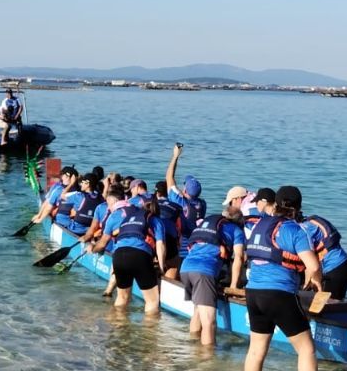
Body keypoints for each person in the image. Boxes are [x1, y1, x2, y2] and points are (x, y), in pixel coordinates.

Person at [242, 185, 322, 371]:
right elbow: (313, 266)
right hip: (279, 294)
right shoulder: (294, 229)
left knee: (256, 350)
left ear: (275, 203)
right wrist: (316, 282)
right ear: (298, 207)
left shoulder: (259, 224)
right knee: (306, 349)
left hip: (253, 293)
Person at [177, 193, 247, 348]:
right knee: (209, 322)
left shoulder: (209, 224)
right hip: (203, 272)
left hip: (185, 269)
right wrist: (234, 286)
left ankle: (193, 346)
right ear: (239, 221)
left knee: (197, 311)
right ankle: (206, 361)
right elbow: (239, 258)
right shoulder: (236, 231)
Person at [89, 186, 166, 315]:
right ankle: (150, 334)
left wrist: (93, 248)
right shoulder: (155, 219)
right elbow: (160, 245)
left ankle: (117, 327)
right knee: (152, 302)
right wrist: (162, 269)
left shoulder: (127, 219)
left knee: (122, 297)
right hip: (139, 255)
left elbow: (109, 240)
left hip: (118, 256)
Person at [277, 187, 347, 300]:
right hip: (343, 265)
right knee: (332, 303)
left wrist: (305, 287)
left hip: (334, 270)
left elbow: (311, 267)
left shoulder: (301, 229)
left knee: (325, 307)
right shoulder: (307, 222)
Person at [162, 143, 208, 253]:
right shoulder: (203, 204)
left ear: (185, 190)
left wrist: (175, 156)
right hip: (195, 245)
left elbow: (169, 177)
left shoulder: (180, 201)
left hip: (180, 246)